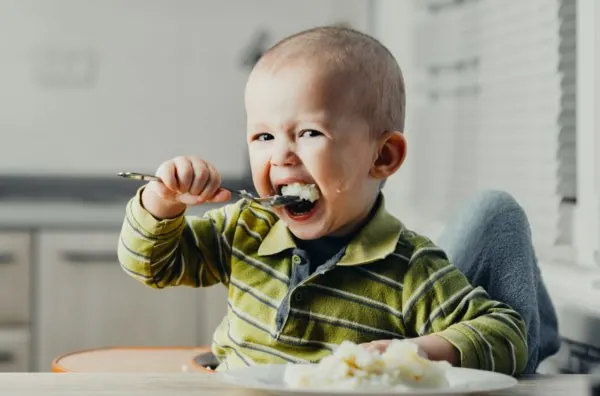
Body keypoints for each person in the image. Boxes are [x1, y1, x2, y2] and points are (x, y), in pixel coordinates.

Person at [118, 26, 556, 375]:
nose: (281, 155)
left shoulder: (409, 267)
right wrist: (163, 201)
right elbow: (151, 264)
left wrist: (417, 352)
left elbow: (507, 335)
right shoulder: (243, 230)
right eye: (264, 136)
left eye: (310, 133)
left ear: (382, 156)